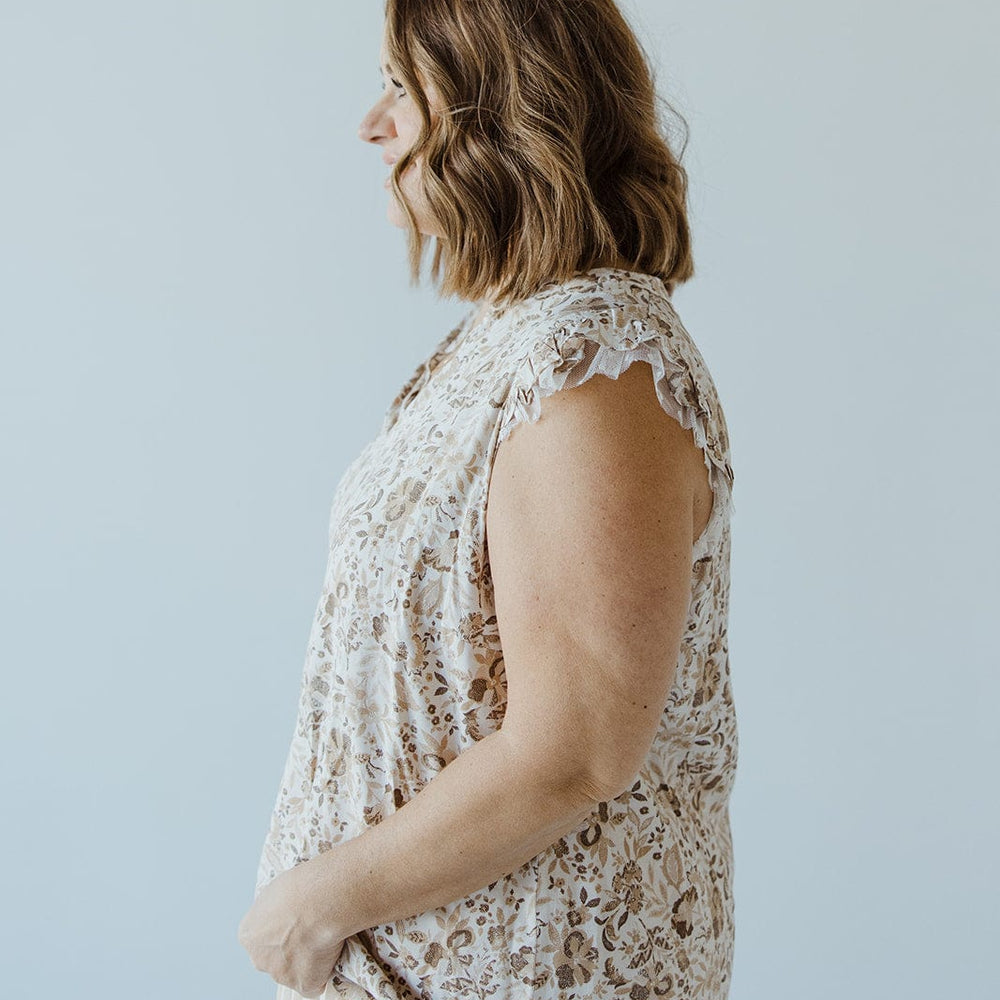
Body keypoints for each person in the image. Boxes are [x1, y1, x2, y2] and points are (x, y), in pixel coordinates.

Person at [238, 1, 738, 997]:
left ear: (496, 109)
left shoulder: (593, 367)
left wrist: (313, 906)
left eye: (400, 87)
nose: (371, 125)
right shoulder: (520, 340)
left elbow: (575, 750)